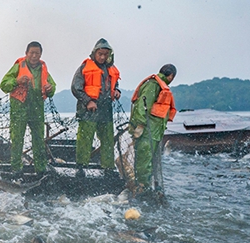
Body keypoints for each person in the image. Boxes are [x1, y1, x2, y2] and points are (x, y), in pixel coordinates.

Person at [0, 41, 57, 176]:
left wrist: (50, 88)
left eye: (37, 53)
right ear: (26, 53)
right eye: (32, 53)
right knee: (17, 139)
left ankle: (40, 171)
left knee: (38, 140)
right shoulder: (18, 66)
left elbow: (52, 87)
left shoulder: (43, 69)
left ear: (41, 54)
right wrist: (17, 81)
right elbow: (3, 85)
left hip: (37, 109)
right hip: (19, 108)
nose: (34, 56)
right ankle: (16, 171)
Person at [71, 38, 121, 177]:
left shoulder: (111, 69)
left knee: (107, 140)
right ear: (94, 53)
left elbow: (114, 84)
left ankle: (108, 168)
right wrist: (88, 101)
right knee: (85, 139)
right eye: (100, 54)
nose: (103, 57)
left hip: (106, 110)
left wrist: (117, 91)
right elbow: (75, 88)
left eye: (105, 54)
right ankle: (80, 167)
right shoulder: (84, 68)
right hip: (88, 111)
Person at [129, 64, 177, 193]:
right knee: (144, 159)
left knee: (149, 160)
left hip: (155, 132)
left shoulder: (160, 86)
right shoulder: (153, 85)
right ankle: (141, 187)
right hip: (146, 131)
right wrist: (140, 125)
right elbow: (141, 106)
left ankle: (145, 185)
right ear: (171, 76)